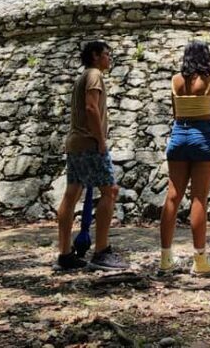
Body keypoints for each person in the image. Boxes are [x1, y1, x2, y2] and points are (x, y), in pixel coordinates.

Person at [55, 40, 128, 271]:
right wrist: (101, 140)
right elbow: (91, 107)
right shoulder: (95, 74)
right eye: (107, 54)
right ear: (95, 55)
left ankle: (65, 254)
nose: (109, 58)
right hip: (90, 142)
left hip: (75, 143)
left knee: (71, 194)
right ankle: (101, 252)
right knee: (110, 191)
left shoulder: (83, 76)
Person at [159, 40, 210, 276]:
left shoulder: (176, 80)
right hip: (203, 137)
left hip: (178, 137)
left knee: (173, 196)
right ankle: (200, 260)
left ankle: (166, 258)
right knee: (199, 198)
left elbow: (176, 113)